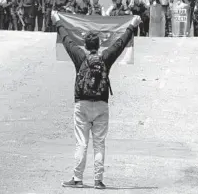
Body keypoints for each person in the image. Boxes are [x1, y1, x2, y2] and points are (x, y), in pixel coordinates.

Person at [50, 10, 141, 190]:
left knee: (81, 143)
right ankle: (98, 181)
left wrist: (58, 21)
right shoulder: (106, 57)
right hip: (101, 104)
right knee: (99, 143)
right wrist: (132, 25)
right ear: (99, 45)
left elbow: (67, 39)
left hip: (81, 104)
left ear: (84, 44)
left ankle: (77, 178)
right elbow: (120, 42)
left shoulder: (80, 56)